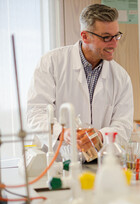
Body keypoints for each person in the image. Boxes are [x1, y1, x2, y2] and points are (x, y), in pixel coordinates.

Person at [27, 4, 133, 148]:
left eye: (116, 36)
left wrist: (100, 135)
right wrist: (63, 133)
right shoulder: (51, 63)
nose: (114, 44)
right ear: (85, 36)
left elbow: (123, 126)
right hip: (58, 161)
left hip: (98, 163)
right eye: (106, 37)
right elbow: (36, 113)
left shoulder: (121, 77)